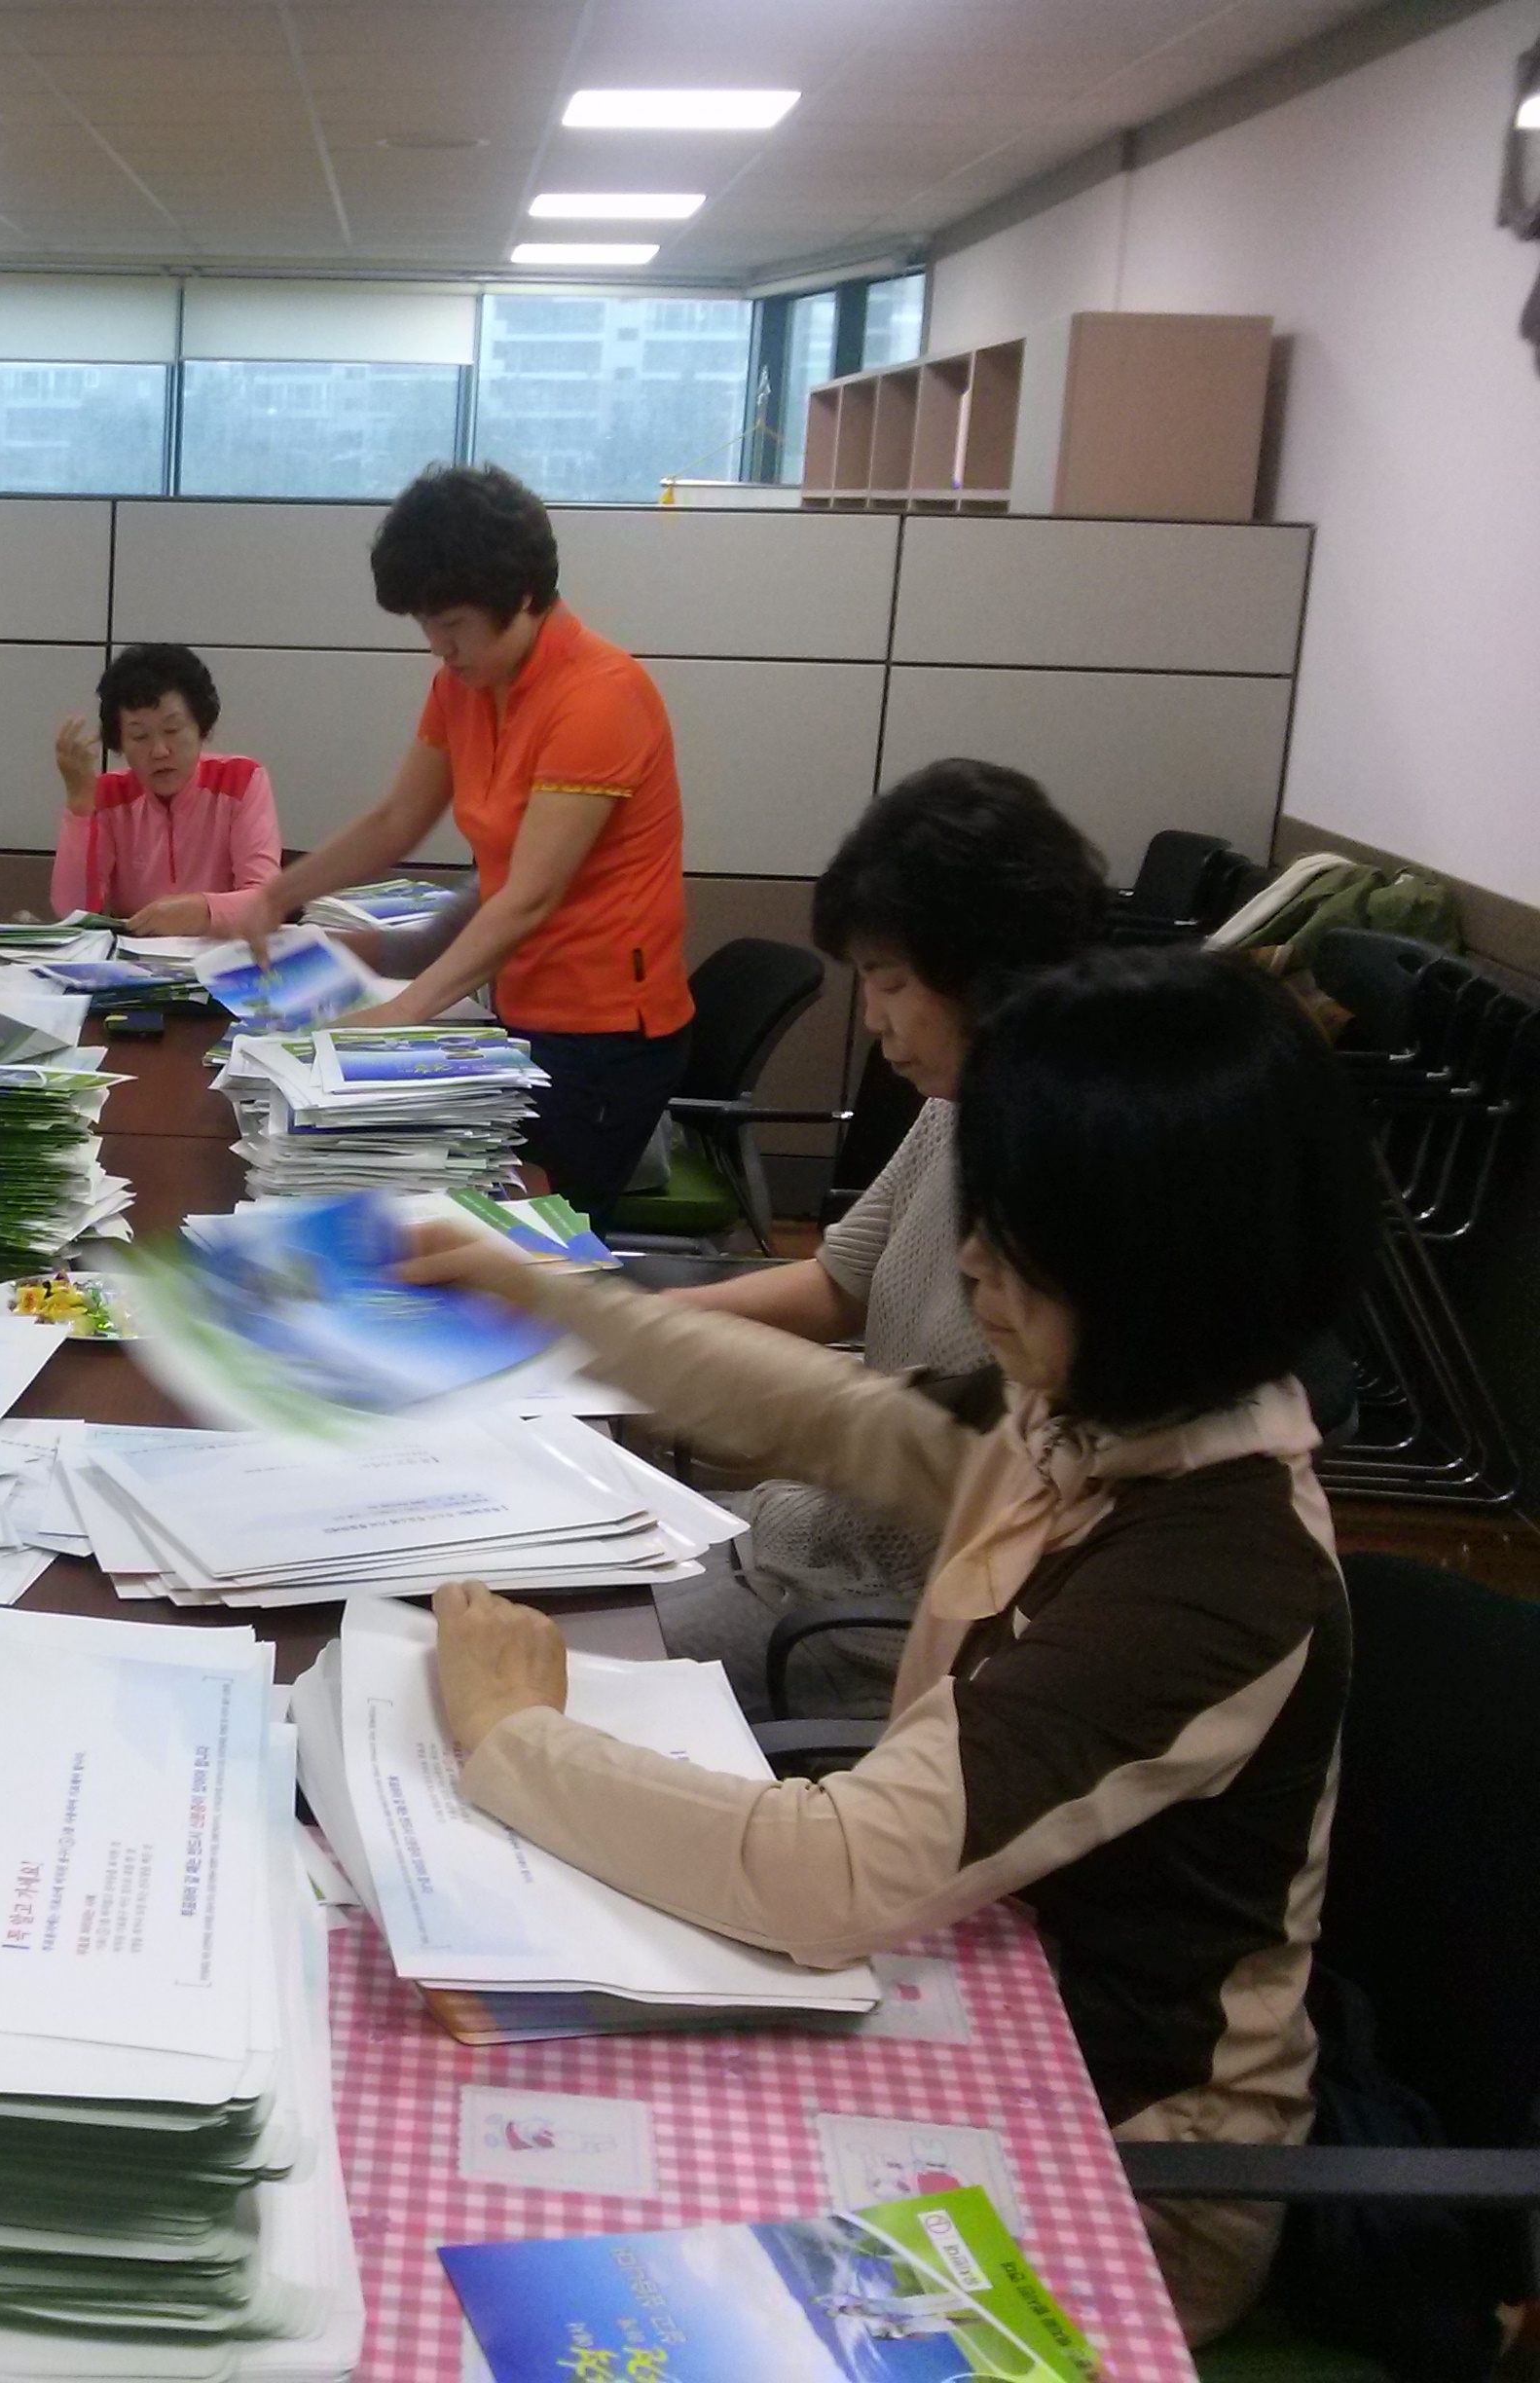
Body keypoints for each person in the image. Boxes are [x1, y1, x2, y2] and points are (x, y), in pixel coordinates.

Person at [401, 943, 1375, 2345]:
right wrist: (548, 1306)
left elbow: (835, 1874)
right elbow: (837, 1417)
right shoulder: (1102, 1413)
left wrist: (512, 1736)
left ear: (1160, 1266)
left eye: (1020, 1240)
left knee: (560, 2248)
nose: (971, 1262)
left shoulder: (1214, 1577)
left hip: (1134, 2160)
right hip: (970, 1973)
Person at [655, 760, 1110, 1714]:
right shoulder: (955, 1110)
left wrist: (645, 1352)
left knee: (552, 1653)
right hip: (801, 1533)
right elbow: (836, 1284)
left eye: (891, 983)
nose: (873, 1020)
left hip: (867, 1619)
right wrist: (648, 1320)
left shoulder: (1076, 1180)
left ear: (986, 978)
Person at [251, 465, 691, 1220]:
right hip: (521, 1005)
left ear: (521, 594)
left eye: (451, 624)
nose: (438, 648)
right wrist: (277, 896)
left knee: (533, 1238)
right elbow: (396, 820)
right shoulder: (465, 687)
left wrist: (407, 1009)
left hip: (605, 1037)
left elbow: (529, 897)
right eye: (426, 625)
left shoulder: (599, 696)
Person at [47, 644, 281, 939]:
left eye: (173, 730)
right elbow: (72, 911)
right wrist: (80, 804)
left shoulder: (241, 780)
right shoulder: (109, 795)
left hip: (224, 954)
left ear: (202, 728)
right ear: (120, 743)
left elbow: (268, 902)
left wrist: (200, 911)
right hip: (134, 960)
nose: (159, 751)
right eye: (139, 736)